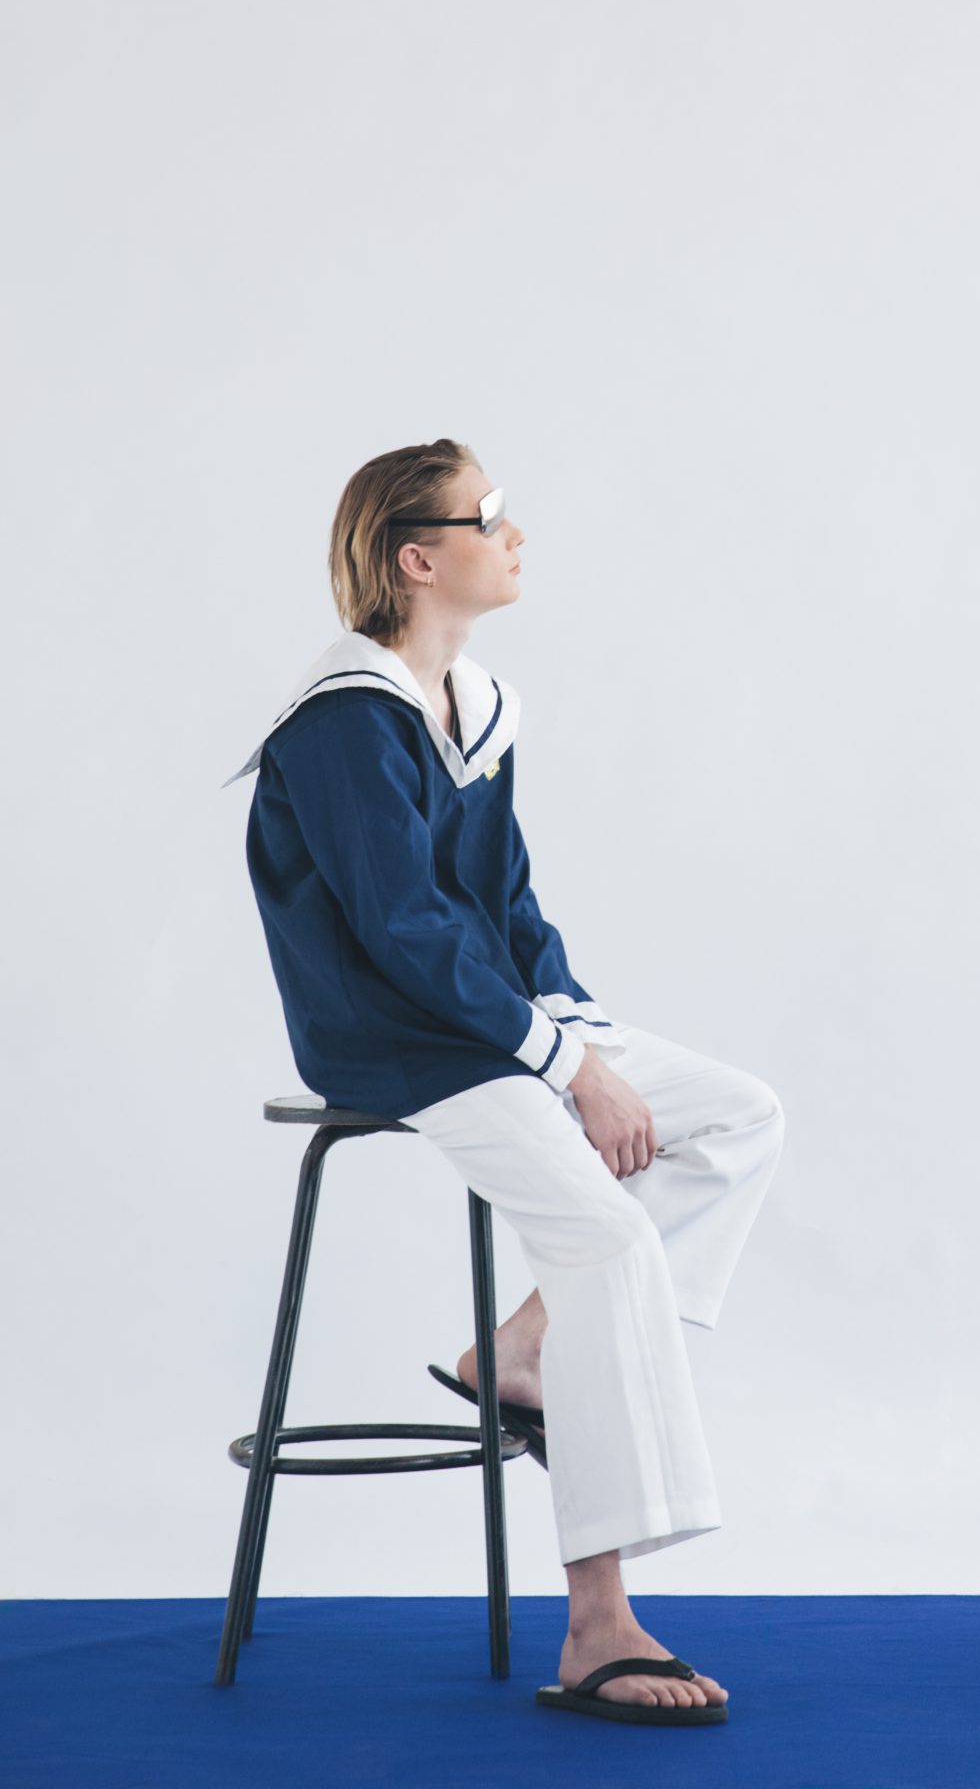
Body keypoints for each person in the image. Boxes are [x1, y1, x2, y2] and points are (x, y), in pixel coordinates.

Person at [226, 437, 785, 1725]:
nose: (516, 534)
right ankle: (598, 1624)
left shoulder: (475, 706)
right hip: (399, 1040)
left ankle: (526, 1348)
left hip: (489, 1022)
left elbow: (507, 905)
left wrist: (576, 1031)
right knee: (607, 1246)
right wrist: (570, 1068)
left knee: (738, 1116)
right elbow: (404, 932)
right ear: (419, 558)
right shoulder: (344, 720)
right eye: (489, 517)